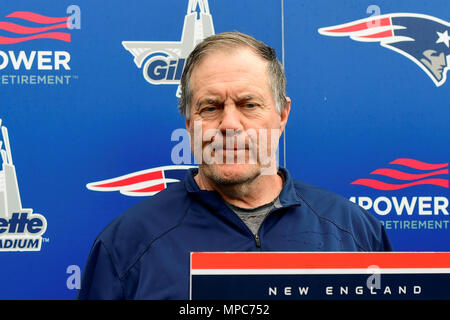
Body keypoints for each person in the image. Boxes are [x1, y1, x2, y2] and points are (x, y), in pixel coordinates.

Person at [78, 32, 392, 300]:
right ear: (189, 122)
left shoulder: (354, 232)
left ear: (282, 115)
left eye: (248, 105)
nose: (229, 124)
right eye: (210, 107)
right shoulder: (125, 244)